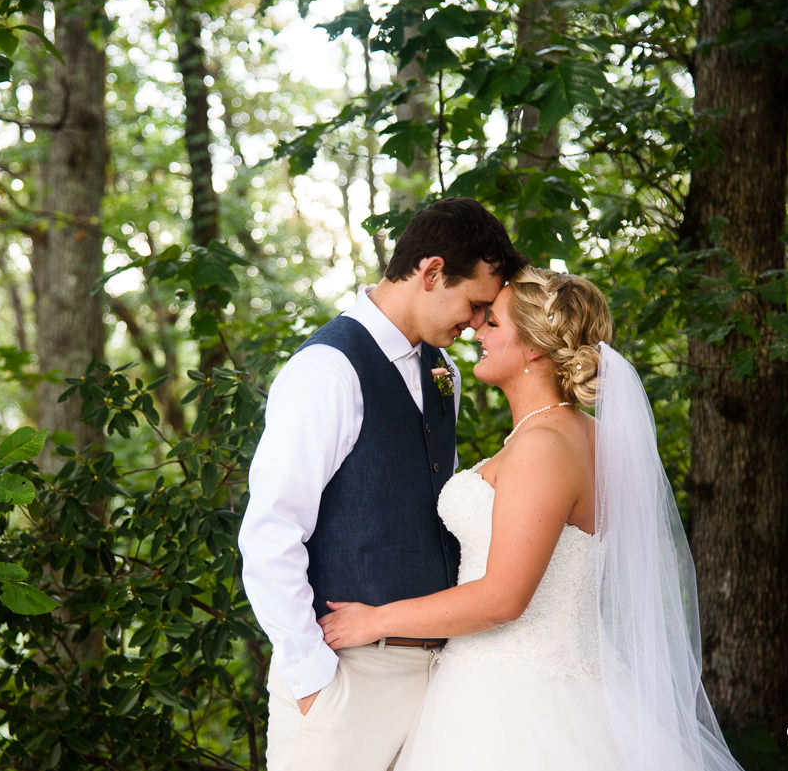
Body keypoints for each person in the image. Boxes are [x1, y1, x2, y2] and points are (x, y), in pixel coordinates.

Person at [319, 267, 747, 771]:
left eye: (493, 323)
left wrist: (376, 620)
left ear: (535, 349)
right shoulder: (582, 435)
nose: (477, 329)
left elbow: (502, 599)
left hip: (514, 700)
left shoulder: (543, 446)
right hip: (547, 679)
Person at [238, 197, 527, 770]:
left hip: (442, 679)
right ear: (431, 272)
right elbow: (270, 531)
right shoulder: (327, 369)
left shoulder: (442, 374)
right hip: (346, 676)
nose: (476, 324)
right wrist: (311, 677)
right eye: (474, 304)